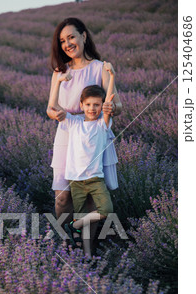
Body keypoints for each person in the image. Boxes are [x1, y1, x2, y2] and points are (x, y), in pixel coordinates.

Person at [46, 17, 122, 227]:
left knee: (91, 198)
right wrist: (56, 115)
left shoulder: (100, 68)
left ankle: (87, 249)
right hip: (67, 132)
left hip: (93, 134)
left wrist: (110, 108)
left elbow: (119, 105)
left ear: (84, 36)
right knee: (62, 197)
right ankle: (65, 239)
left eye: (71, 37)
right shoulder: (60, 72)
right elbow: (50, 108)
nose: (67, 44)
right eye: (62, 41)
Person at [51, 62, 116, 259]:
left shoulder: (102, 125)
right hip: (76, 180)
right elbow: (53, 106)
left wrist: (112, 77)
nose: (92, 108)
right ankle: (86, 256)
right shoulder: (74, 122)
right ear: (81, 106)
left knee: (106, 209)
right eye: (88, 104)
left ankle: (73, 227)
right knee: (83, 218)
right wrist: (58, 82)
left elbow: (109, 103)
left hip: (96, 179)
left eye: (96, 105)